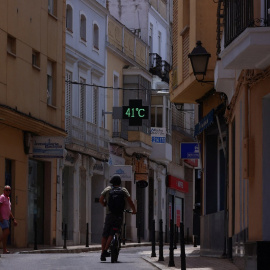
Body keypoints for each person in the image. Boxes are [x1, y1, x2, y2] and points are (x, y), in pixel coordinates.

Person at [99, 175, 136, 261]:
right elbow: (130, 201)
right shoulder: (123, 190)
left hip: (109, 214)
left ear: (112, 182)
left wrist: (105, 204)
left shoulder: (108, 189)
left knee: (105, 234)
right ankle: (106, 250)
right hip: (119, 215)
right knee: (113, 232)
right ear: (120, 183)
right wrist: (134, 210)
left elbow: (101, 199)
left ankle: (103, 253)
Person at [0, 185, 17, 254]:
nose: (8, 191)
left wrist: (13, 219)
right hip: (3, 218)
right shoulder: (2, 197)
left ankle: (4, 250)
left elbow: (9, 211)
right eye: (6, 190)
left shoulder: (8, 199)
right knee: (7, 232)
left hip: (7, 219)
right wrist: (0, 216)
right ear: (4, 191)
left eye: (9, 190)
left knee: (5, 235)